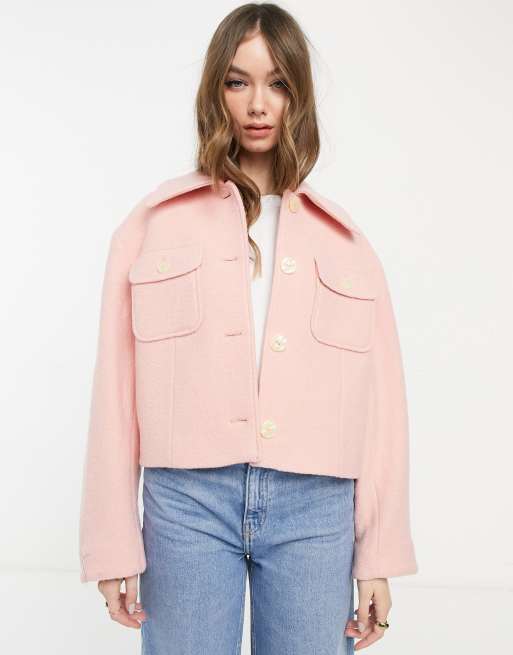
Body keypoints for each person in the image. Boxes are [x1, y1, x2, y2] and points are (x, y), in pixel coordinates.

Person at [78, 3, 418, 653]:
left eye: (278, 83)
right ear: (216, 91)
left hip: (317, 506)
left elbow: (380, 410)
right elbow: (114, 393)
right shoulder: (152, 226)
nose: (258, 104)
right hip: (186, 501)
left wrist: (378, 551)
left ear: (299, 96)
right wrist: (111, 539)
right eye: (238, 82)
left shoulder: (346, 244)